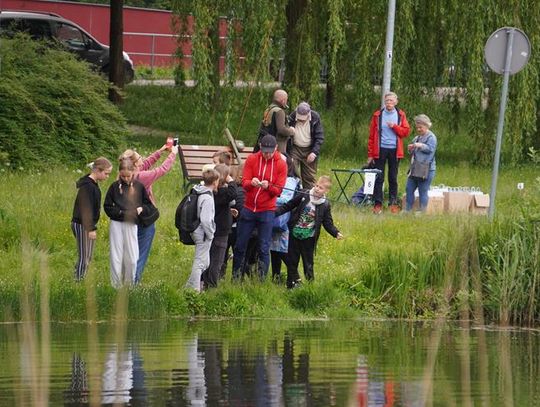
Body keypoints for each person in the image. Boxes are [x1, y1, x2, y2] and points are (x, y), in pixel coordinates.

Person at [120, 144, 178, 284]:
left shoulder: (124, 175)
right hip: (144, 218)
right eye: (140, 157)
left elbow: (146, 164)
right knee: (140, 252)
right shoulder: (140, 177)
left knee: (129, 250)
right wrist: (173, 154)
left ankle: (123, 280)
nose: (143, 159)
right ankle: (133, 283)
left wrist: (160, 151)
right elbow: (161, 170)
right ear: (134, 163)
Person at [232, 134, 287, 281]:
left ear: (276, 148)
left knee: (263, 247)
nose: (267, 154)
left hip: (267, 211)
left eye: (270, 151)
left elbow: (279, 190)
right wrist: (252, 182)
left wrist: (269, 186)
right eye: (264, 151)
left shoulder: (281, 164)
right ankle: (236, 277)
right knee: (240, 245)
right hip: (249, 208)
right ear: (260, 148)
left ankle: (261, 280)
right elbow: (245, 183)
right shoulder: (252, 159)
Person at [275, 175, 344, 288]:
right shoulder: (304, 194)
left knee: (308, 263)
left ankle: (309, 286)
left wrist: (335, 232)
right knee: (292, 261)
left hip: (309, 238)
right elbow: (289, 205)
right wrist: (275, 213)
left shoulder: (325, 205)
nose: (317, 189)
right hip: (295, 234)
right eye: (316, 185)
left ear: (326, 191)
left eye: (321, 188)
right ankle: (291, 285)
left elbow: (327, 223)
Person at [104, 159, 152, 288]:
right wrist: (121, 213)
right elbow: (107, 206)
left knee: (132, 257)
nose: (125, 179)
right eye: (122, 176)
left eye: (128, 176)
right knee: (116, 254)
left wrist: (141, 209)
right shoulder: (114, 187)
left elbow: (148, 204)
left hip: (131, 223)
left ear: (133, 172)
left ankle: (129, 285)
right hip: (117, 223)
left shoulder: (139, 186)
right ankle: (115, 285)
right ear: (119, 173)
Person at [367, 91, 411, 214]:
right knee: (379, 178)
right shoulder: (377, 115)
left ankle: (392, 203)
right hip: (380, 150)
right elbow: (371, 136)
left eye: (391, 100)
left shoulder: (400, 115)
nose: (389, 103)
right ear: (384, 102)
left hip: (395, 150)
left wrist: (394, 127)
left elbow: (405, 132)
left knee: (393, 177)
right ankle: (378, 204)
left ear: (396, 102)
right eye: (387, 101)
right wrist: (370, 155)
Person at [71, 157, 112, 281]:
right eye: (106, 173)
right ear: (98, 171)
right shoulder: (88, 186)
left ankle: (80, 278)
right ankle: (78, 281)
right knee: (84, 256)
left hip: (86, 225)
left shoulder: (92, 184)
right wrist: (91, 228)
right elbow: (85, 209)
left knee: (88, 256)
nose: (107, 176)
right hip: (82, 224)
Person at [202, 164, 237, 289]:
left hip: (210, 229)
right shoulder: (222, 192)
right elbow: (233, 193)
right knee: (217, 259)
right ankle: (211, 285)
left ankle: (204, 281)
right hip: (221, 231)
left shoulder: (210, 192)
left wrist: (230, 211)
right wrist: (231, 181)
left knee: (208, 256)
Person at [185, 168, 220, 292]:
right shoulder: (208, 198)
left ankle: (189, 286)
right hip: (202, 232)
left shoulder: (200, 191)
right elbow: (205, 220)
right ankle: (194, 291)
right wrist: (211, 233)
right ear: (215, 181)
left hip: (197, 230)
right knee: (200, 262)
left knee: (204, 262)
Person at [270, 155, 301, 282]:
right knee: (273, 249)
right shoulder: (276, 177)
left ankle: (295, 277)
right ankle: (275, 276)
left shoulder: (290, 180)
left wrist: (268, 194)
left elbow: (286, 199)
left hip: (283, 219)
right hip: (273, 216)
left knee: (282, 249)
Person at [405, 114, 438, 212]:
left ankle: (422, 212)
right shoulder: (416, 138)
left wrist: (420, 145)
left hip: (426, 169)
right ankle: (407, 210)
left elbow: (431, 149)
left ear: (427, 125)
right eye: (417, 127)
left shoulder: (432, 137)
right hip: (415, 168)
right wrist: (410, 149)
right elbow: (413, 153)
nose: (419, 129)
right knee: (409, 188)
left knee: (422, 191)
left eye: (421, 127)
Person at [288, 102, 324, 189]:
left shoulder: (315, 117)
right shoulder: (292, 116)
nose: (301, 120)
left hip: (309, 149)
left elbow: (319, 137)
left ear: (309, 113)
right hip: (295, 148)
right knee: (292, 172)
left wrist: (314, 152)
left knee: (309, 177)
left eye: (303, 118)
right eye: (299, 118)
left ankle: (308, 198)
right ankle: (294, 195)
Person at [257, 89, 295, 154]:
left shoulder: (269, 108)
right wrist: (291, 131)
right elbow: (281, 130)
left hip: (266, 142)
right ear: (282, 100)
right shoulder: (279, 112)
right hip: (278, 146)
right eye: (286, 100)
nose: (286, 102)